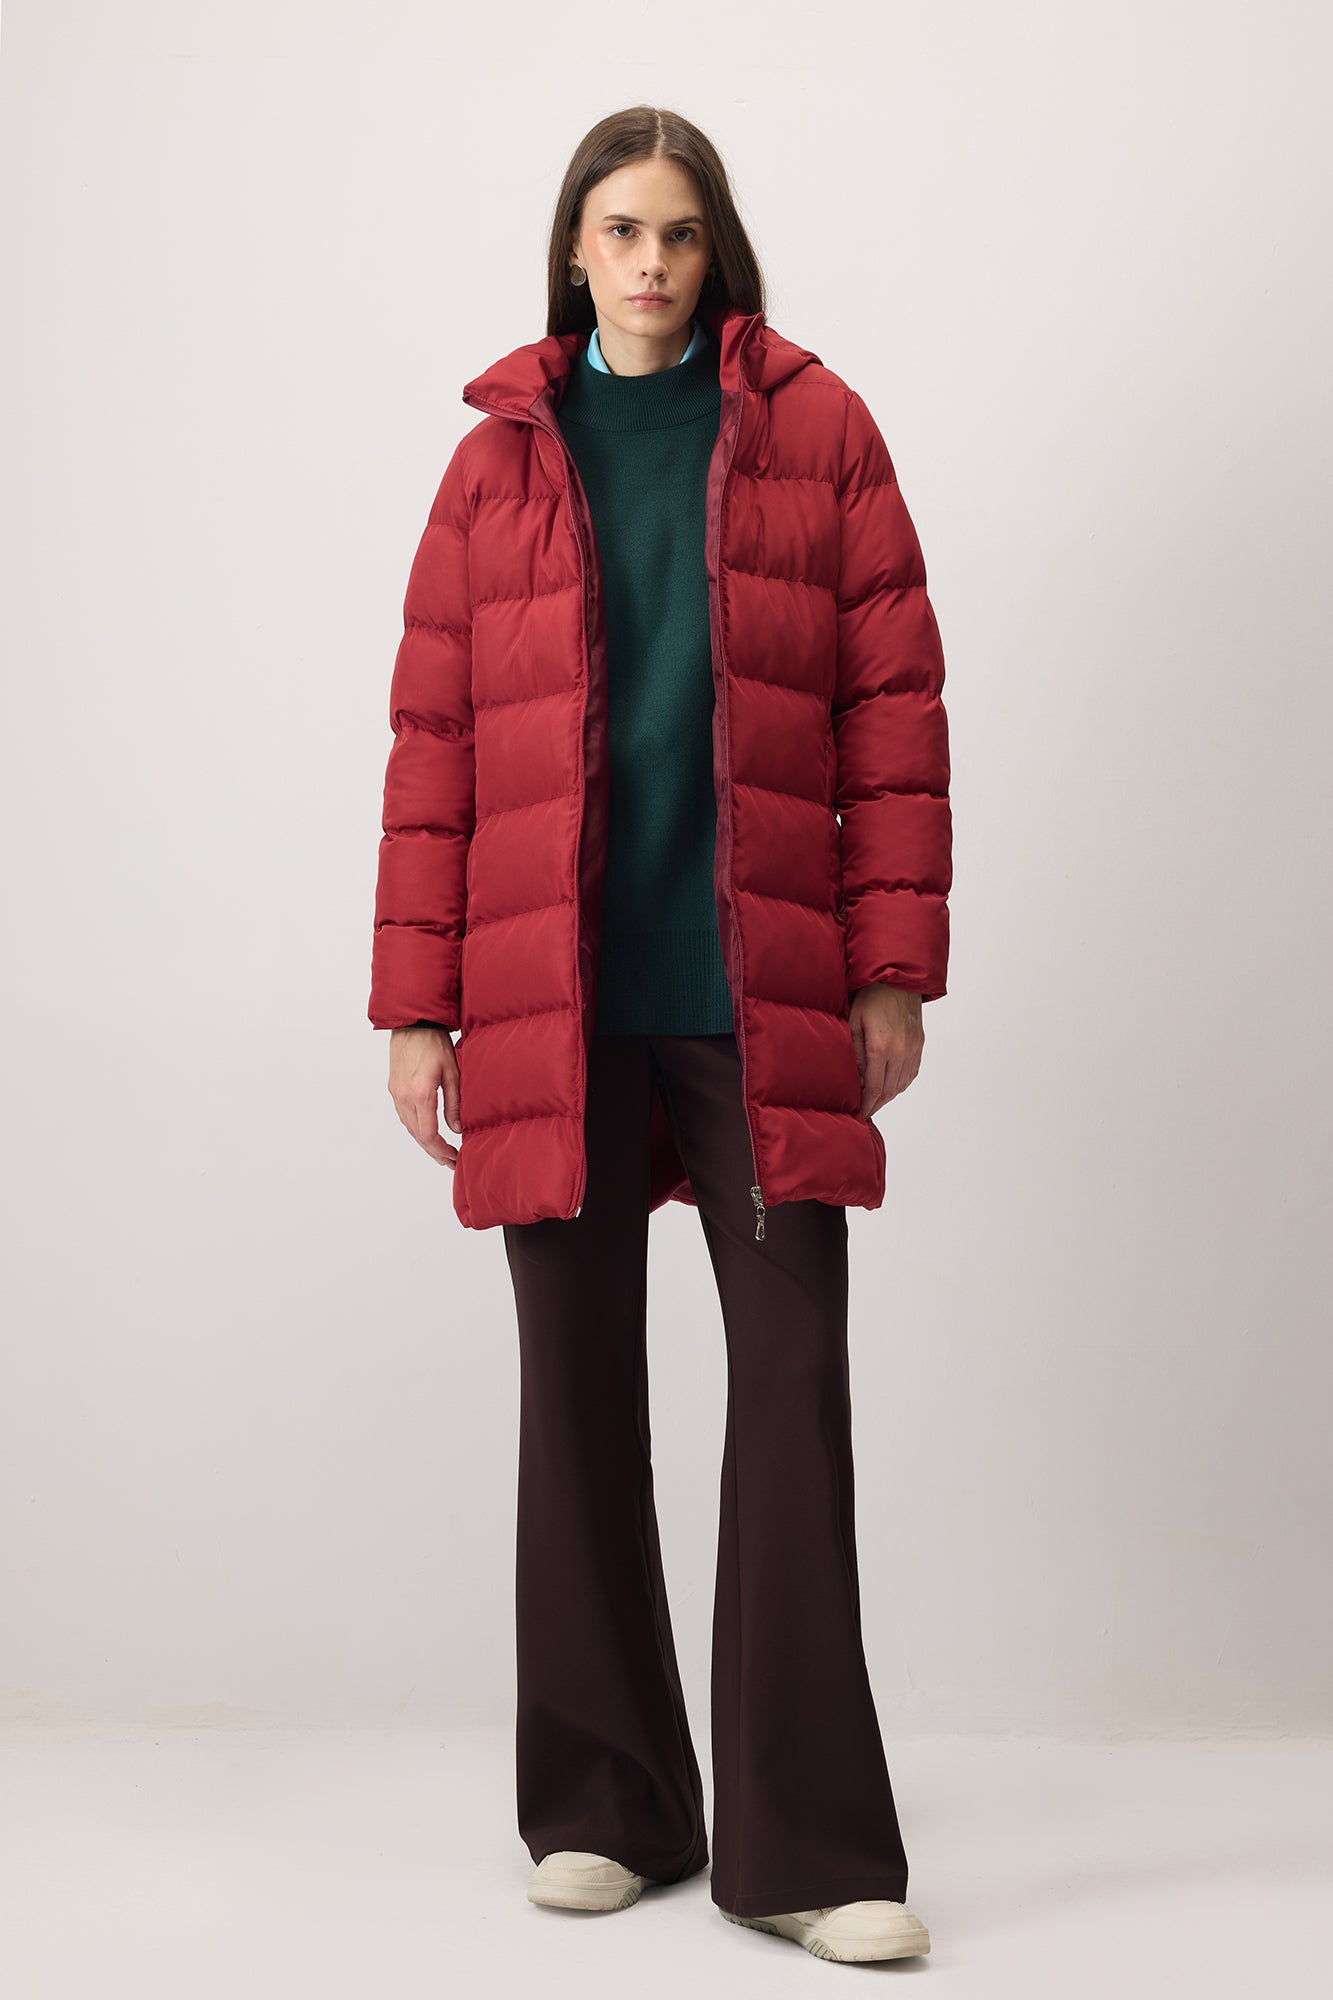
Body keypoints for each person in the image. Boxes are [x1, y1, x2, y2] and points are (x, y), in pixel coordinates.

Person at [368, 105, 952, 1966]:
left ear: (716, 251)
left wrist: (888, 967)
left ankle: (809, 1847)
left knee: (789, 1399)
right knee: (575, 1401)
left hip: (755, 988)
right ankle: (606, 1804)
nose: (647, 262)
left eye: (678, 232)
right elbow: (436, 747)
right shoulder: (494, 466)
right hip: (554, 998)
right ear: (574, 248)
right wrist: (417, 1004)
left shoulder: (817, 431)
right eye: (619, 230)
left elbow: (891, 705)